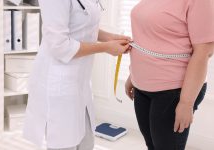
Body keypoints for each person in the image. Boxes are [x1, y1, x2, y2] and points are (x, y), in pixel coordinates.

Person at [23, 0, 130, 150]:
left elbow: (84, 24)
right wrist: (106, 47)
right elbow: (59, 46)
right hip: (60, 83)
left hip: (81, 82)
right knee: (64, 143)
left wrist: (110, 37)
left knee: (86, 142)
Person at [125, 0, 214, 150]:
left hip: (174, 91)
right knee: (152, 145)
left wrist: (186, 103)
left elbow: (204, 51)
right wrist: (132, 75)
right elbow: (151, 38)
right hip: (142, 87)